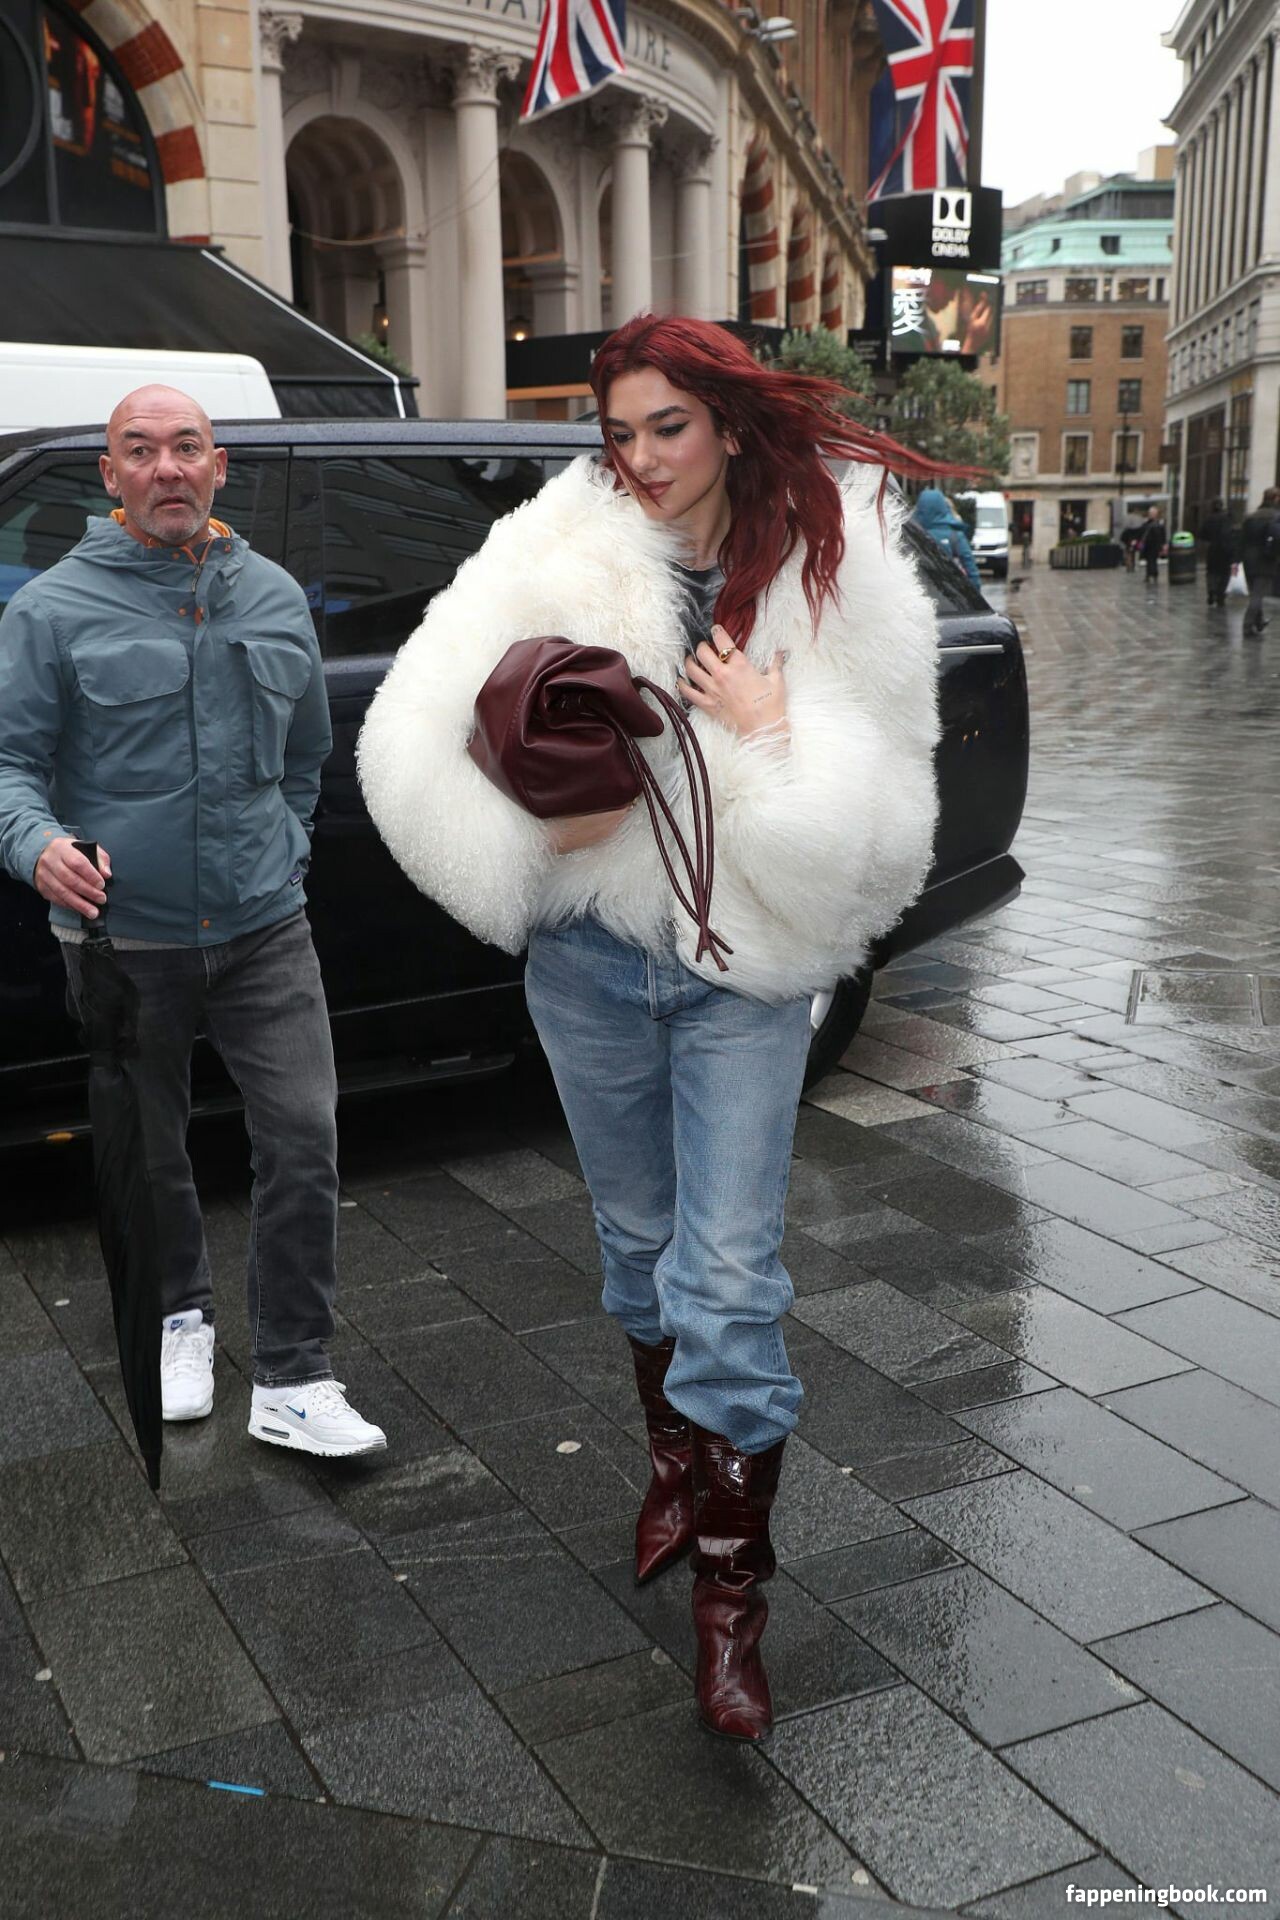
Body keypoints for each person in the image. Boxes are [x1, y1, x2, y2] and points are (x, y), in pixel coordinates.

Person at [357, 315, 941, 1742]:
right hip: (589, 963)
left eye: (667, 426)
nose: (641, 458)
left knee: (726, 1277)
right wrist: (536, 829)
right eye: (619, 432)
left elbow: (890, 815)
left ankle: (731, 1605)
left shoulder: (836, 571)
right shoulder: (552, 546)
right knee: (636, 1250)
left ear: (727, 424)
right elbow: (406, 739)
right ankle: (674, 1461)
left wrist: (773, 736)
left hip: (745, 972)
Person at [0, 386, 385, 1458]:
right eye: (140, 450)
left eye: (186, 448)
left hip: (266, 929)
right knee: (147, 1147)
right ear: (110, 475)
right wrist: (35, 844)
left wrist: (288, 847)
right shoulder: (50, 611)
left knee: (304, 1137)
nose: (166, 467)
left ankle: (295, 1376)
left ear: (219, 467)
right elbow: (9, 765)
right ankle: (178, 1318)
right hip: (123, 938)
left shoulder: (272, 595)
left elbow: (306, 753)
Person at [910, 486, 981, 588]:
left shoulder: (912, 535)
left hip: (920, 590)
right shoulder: (955, 536)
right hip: (950, 591)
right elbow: (971, 569)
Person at [1240, 487, 1279, 636]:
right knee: (1258, 594)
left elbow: (1241, 539)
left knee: (1255, 592)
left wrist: (1236, 560)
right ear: (1275, 499)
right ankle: (1247, 625)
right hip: (1265, 559)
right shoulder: (1275, 516)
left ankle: (1259, 621)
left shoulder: (1251, 517)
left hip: (1248, 559)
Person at [1200, 498, 1237, 608]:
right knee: (1224, 573)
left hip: (1213, 548)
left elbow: (1202, 534)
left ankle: (1211, 590)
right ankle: (1221, 595)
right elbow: (1231, 534)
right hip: (1225, 549)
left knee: (1211, 572)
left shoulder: (1208, 519)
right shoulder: (1227, 518)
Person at [1140, 504, 1166, 583]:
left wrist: (1163, 545)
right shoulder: (1147, 524)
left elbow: (1162, 536)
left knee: (1152, 560)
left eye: (1153, 513)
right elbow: (1142, 533)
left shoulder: (1159, 525)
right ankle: (1151, 574)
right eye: (1150, 513)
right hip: (1148, 545)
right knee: (1150, 560)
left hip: (1154, 545)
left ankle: (1152, 574)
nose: (1151, 515)